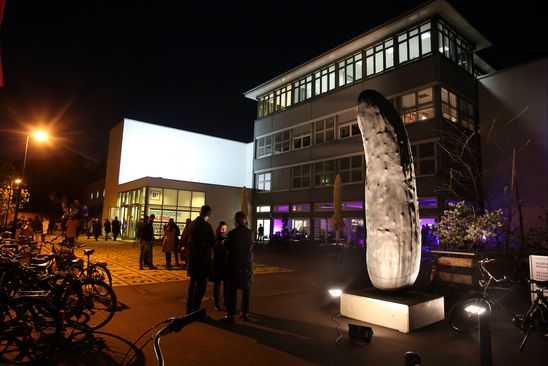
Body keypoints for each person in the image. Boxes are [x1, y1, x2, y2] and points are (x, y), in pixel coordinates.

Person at [220, 211, 254, 324]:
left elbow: (227, 247)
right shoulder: (250, 233)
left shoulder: (232, 233)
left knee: (232, 292)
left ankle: (231, 315)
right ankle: (245, 313)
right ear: (244, 220)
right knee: (246, 290)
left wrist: (224, 243)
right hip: (247, 265)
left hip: (234, 265)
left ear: (235, 221)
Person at [186, 205, 215, 314]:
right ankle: (196, 307)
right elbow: (213, 242)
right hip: (202, 260)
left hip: (192, 259)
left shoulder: (192, 224)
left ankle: (189, 306)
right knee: (201, 285)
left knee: (192, 284)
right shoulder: (206, 226)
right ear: (208, 214)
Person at [211, 221, 228, 311]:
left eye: (225, 228)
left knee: (226, 284)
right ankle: (216, 303)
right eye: (222, 228)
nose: (223, 230)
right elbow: (215, 250)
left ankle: (225, 300)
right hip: (217, 263)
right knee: (217, 284)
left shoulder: (227, 237)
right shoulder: (216, 237)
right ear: (219, 228)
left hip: (226, 264)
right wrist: (221, 244)